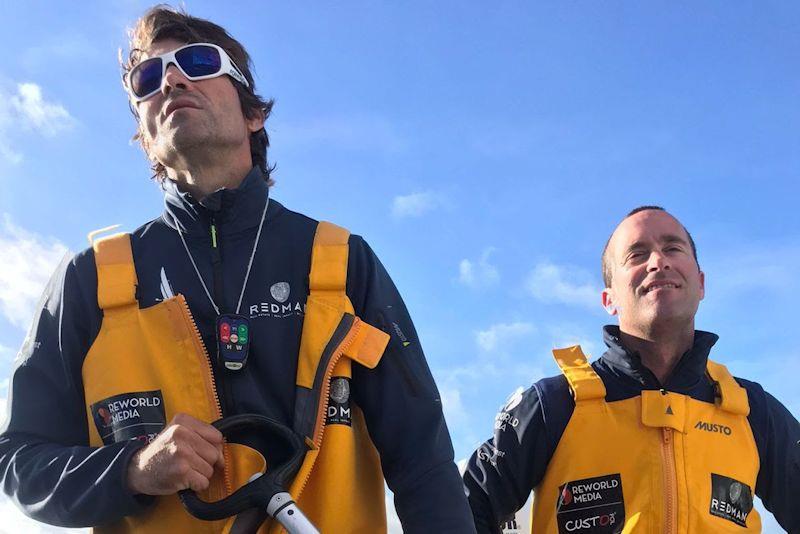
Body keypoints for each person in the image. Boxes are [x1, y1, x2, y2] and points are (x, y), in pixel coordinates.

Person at [0, 6, 475, 533]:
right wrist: (131, 469)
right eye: (147, 78)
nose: (173, 78)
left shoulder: (342, 264)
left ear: (254, 114)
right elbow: (17, 463)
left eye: (198, 62)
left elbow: (425, 463)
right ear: (145, 133)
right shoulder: (88, 281)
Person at [463, 206, 800, 533]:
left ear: (700, 284)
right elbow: (462, 506)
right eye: (637, 255)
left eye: (672, 247)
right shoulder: (553, 404)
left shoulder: (753, 410)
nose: (658, 261)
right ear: (609, 299)